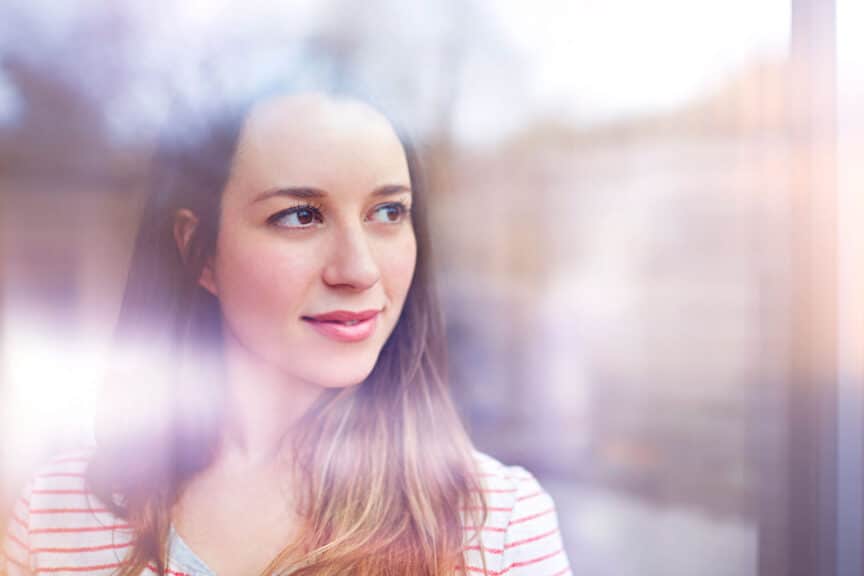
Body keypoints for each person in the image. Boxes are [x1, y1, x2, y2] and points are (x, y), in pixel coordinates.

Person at [3, 89, 571, 575]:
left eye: (389, 213)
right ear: (199, 253)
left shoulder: (499, 525)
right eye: (300, 215)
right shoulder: (58, 514)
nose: (359, 269)